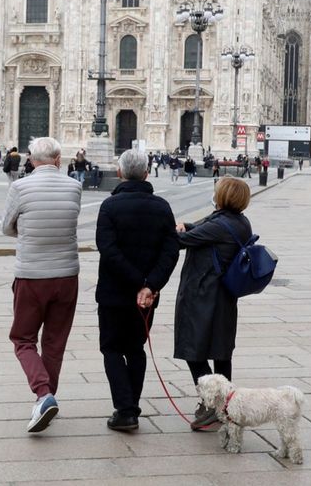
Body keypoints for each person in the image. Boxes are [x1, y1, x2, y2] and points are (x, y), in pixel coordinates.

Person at [1, 136, 83, 434]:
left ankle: (43, 394)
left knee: (23, 339)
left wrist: (27, 234)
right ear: (59, 160)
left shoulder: (19, 187)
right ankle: (48, 398)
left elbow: (6, 226)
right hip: (66, 276)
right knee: (54, 342)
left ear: (31, 160)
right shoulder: (75, 187)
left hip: (32, 275)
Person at [95, 149, 180, 432]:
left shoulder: (110, 207)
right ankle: (130, 407)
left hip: (114, 293)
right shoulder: (162, 207)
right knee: (135, 348)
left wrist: (138, 283)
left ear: (119, 173)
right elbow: (171, 252)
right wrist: (150, 285)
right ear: (147, 173)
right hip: (147, 298)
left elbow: (108, 250)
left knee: (111, 348)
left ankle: (126, 409)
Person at [173, 177, 254, 431]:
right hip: (222, 296)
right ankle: (226, 405)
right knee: (220, 352)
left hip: (204, 296)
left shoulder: (221, 225)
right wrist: (185, 225)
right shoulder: (238, 221)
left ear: (224, 196)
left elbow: (182, 240)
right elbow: (197, 227)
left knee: (192, 350)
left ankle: (214, 403)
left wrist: (174, 229)